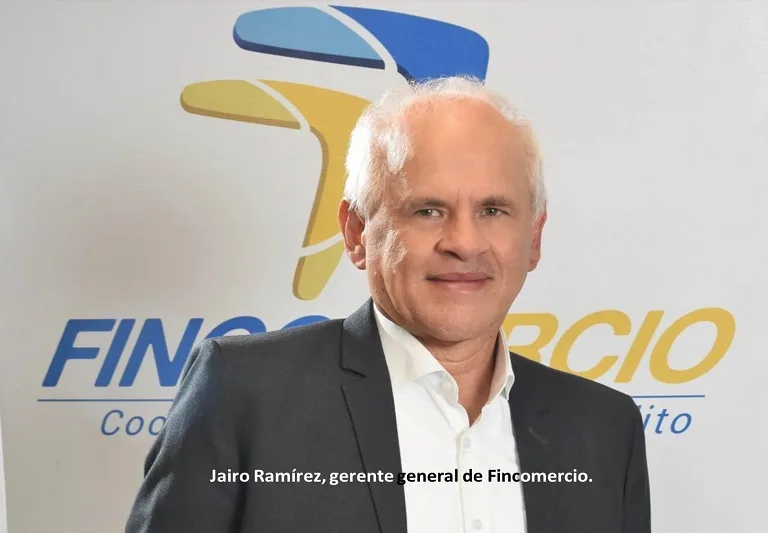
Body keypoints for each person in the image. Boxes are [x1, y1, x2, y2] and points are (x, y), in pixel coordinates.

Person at [125, 76, 650, 533]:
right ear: (356, 233)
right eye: (427, 210)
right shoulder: (245, 393)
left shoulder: (604, 427)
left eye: (493, 210)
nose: (464, 243)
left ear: (533, 238)